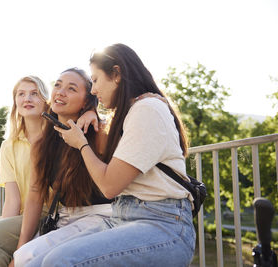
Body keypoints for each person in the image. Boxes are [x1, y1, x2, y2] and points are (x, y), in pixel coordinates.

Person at [24, 44, 196, 266]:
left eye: (95, 80)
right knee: (33, 262)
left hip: (161, 223)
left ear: (116, 74)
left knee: (59, 261)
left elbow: (109, 186)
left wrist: (82, 145)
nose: (94, 90)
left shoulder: (148, 109)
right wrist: (89, 111)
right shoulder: (133, 112)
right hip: (124, 218)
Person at [0, 75, 98, 267]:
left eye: (34, 94)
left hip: (51, 212)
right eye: (21, 94)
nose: (27, 99)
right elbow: (12, 199)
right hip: (23, 214)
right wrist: (3, 228)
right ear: (15, 102)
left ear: (46, 100)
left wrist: (92, 111)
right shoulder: (9, 145)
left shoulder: (57, 135)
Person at [12, 68, 112, 267]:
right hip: (65, 217)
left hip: (102, 216)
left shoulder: (99, 132)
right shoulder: (43, 143)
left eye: (71, 89)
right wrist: (19, 249)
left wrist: (93, 113)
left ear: (86, 100)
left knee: (34, 258)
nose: (60, 92)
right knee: (24, 256)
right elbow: (34, 194)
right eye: (57, 85)